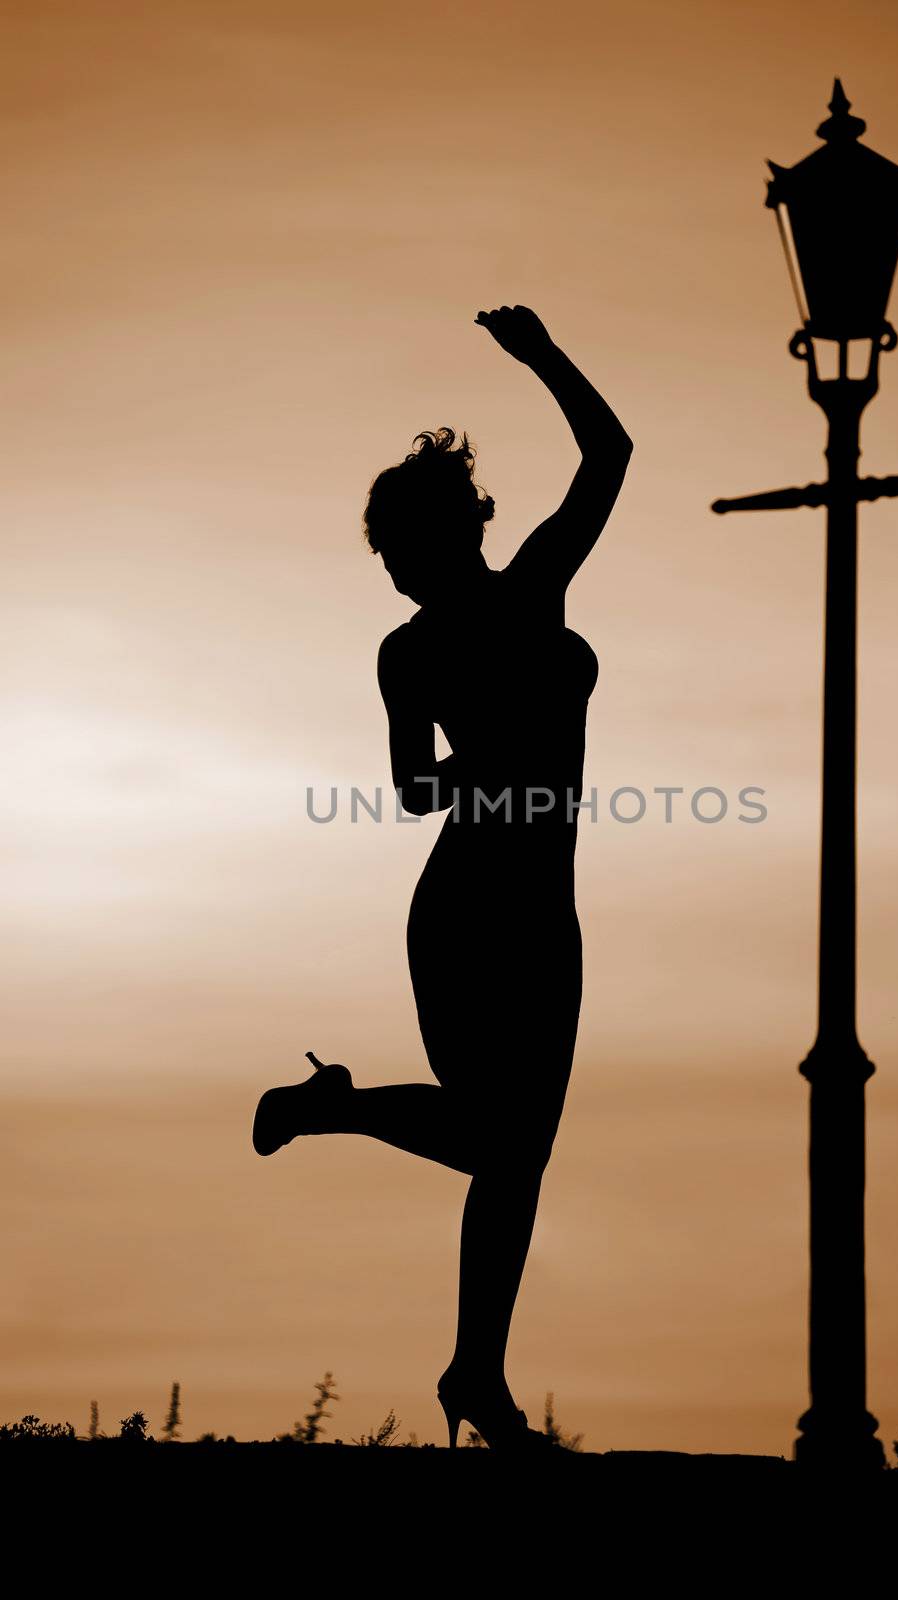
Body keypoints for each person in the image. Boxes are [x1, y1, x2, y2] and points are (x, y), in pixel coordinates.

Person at [253, 305, 632, 1450]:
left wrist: (545, 358)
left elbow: (609, 458)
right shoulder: (411, 653)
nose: (399, 571)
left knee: (518, 1153)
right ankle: (345, 1114)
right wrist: (498, 760)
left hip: (543, 909)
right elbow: (414, 792)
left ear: (454, 532)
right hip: (469, 908)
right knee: (495, 1139)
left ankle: (477, 1370)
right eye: (391, 555)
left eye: (404, 547)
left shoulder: (530, 591)